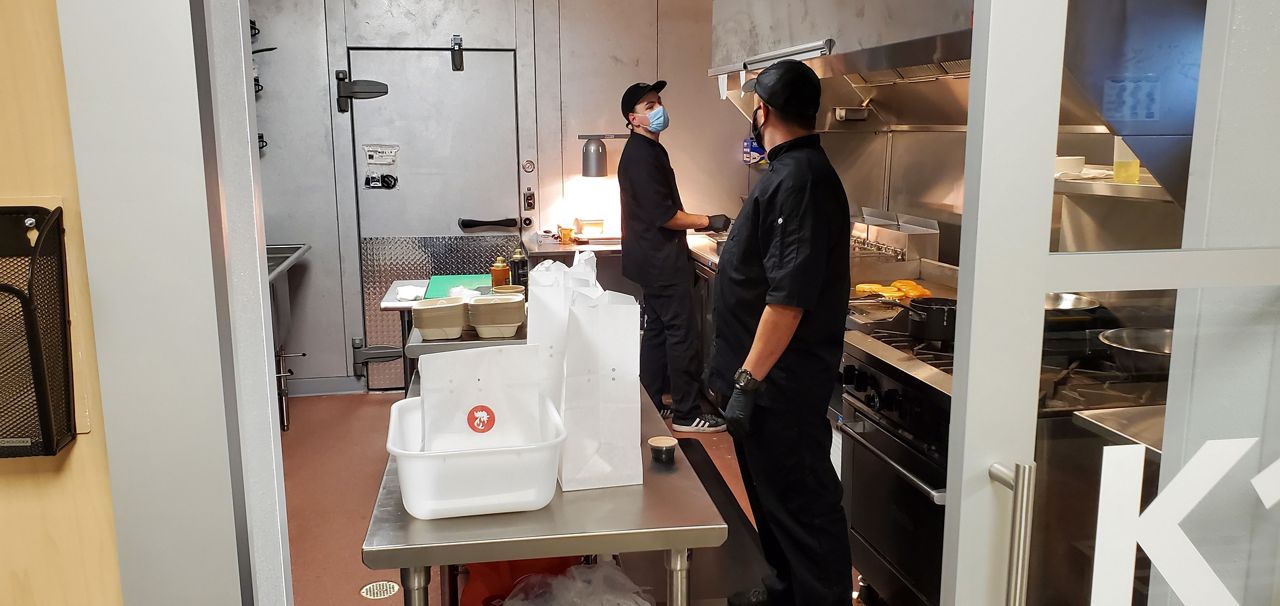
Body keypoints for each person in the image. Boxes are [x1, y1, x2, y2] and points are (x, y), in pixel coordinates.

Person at [707, 60, 853, 605]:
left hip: (780, 386)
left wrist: (747, 382)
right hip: (765, 384)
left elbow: (788, 301)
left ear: (761, 111)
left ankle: (817, 596)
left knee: (802, 505)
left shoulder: (801, 180)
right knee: (771, 501)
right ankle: (784, 590)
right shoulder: (788, 174)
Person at [617, 80, 732, 433]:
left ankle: (653, 402)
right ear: (633, 119)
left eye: (659, 102)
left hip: (653, 259)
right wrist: (708, 220)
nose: (658, 110)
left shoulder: (652, 151)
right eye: (649, 106)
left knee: (658, 332)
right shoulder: (640, 156)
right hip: (660, 262)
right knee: (681, 334)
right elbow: (665, 215)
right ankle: (686, 413)